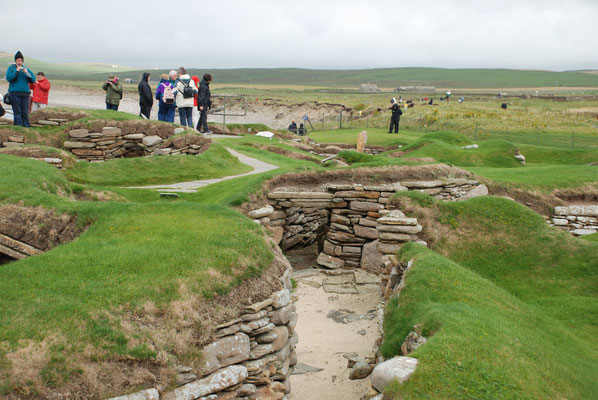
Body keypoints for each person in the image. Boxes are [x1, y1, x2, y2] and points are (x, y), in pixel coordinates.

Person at [5, 51, 36, 127]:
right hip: (15, 93)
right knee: (17, 111)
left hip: (25, 93)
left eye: (21, 60)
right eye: (18, 60)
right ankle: (18, 126)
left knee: (25, 111)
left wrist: (26, 73)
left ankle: (26, 126)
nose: (20, 62)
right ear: (15, 61)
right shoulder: (11, 68)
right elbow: (9, 78)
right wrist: (17, 71)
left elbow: (33, 80)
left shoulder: (26, 69)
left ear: (23, 61)